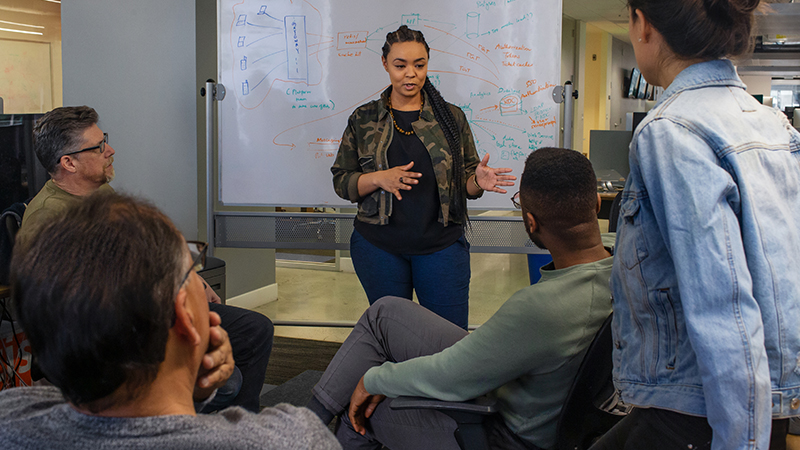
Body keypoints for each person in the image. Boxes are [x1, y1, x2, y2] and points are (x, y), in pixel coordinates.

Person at [591, 1, 800, 449]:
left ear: (643, 25)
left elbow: (722, 308)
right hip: (762, 402)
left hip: (701, 411)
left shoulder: (672, 131)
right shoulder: (773, 125)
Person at [310, 147, 613, 450]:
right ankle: (307, 421)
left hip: (501, 430)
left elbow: (450, 375)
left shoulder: (541, 307)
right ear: (597, 204)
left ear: (530, 223)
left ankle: (305, 436)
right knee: (384, 313)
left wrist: (374, 380)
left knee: (361, 409)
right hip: (520, 383)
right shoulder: (622, 273)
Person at [0, 192, 340, 449]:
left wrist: (189, 390)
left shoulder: (11, 417)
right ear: (184, 314)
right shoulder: (293, 438)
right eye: (192, 266)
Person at [17, 106, 274, 413]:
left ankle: (238, 432)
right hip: (111, 337)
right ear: (69, 162)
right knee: (227, 382)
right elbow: (69, 310)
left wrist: (188, 277)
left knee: (255, 329)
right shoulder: (47, 219)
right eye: (98, 147)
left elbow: (146, 252)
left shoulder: (103, 194)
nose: (110, 150)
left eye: (105, 140)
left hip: (148, 312)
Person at [330, 25, 516, 330]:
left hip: (440, 248)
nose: (411, 74)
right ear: (385, 64)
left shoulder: (450, 117)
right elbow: (342, 181)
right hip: (378, 248)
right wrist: (379, 178)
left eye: (419, 65)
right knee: (391, 338)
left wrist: (477, 181)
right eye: (401, 65)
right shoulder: (364, 119)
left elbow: (467, 182)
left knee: (447, 341)